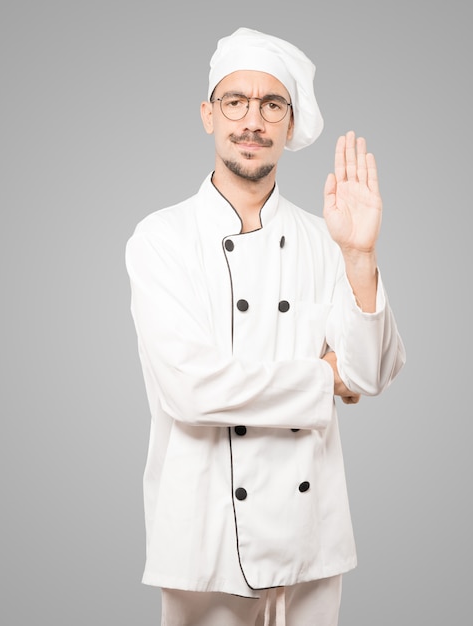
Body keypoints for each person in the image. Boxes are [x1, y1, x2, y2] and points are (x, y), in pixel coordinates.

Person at [125, 26, 405, 626]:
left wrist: (359, 258)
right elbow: (193, 390)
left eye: (271, 104)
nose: (252, 120)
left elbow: (372, 372)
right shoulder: (161, 239)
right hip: (205, 545)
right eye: (236, 102)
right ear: (208, 114)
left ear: (288, 122)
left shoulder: (325, 238)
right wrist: (322, 379)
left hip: (310, 543)